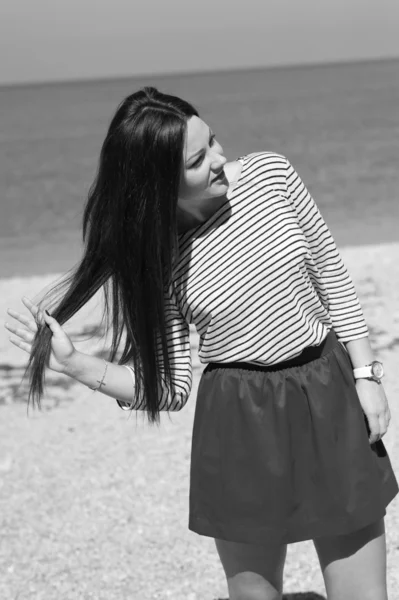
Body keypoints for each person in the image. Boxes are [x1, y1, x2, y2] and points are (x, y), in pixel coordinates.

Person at [5, 86, 398, 600]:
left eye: (213, 141)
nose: (220, 160)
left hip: (327, 389)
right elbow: (168, 387)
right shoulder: (161, 257)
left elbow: (331, 274)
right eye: (198, 160)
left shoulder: (272, 175)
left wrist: (367, 376)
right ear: (160, 184)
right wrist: (77, 364)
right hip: (239, 420)